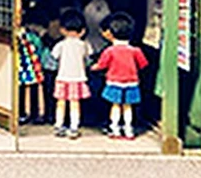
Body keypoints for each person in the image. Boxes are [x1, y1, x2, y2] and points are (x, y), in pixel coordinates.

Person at [91, 12, 148, 140]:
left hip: (114, 82)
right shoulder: (135, 50)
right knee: (128, 106)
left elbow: (101, 65)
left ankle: (115, 128)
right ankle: (129, 129)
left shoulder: (110, 51)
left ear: (111, 33)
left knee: (115, 106)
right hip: (132, 82)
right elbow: (143, 64)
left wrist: (92, 67)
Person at [51, 9, 93, 139]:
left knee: (61, 103)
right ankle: (74, 127)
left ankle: (59, 125)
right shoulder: (84, 45)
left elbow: (53, 57)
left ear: (62, 30)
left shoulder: (60, 45)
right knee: (75, 103)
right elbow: (89, 57)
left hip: (62, 77)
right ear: (83, 31)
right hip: (78, 78)